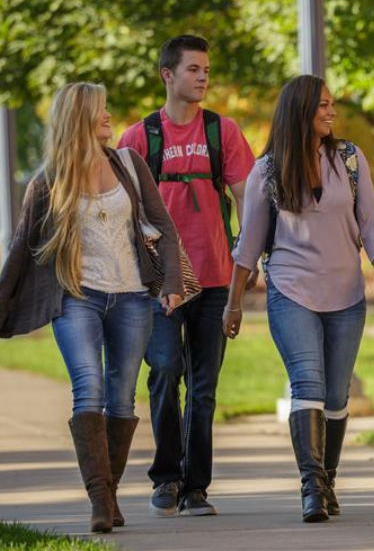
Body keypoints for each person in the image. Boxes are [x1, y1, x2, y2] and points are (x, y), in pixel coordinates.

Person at [0, 82, 183, 532]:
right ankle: (100, 502)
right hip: (76, 297)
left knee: (122, 397)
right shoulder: (49, 181)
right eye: (100, 110)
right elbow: (21, 249)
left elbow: (164, 226)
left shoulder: (127, 163)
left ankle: (110, 492)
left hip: (132, 297)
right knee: (90, 388)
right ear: (79, 118)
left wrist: (172, 283)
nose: (108, 116)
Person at [223, 74, 374, 523]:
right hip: (291, 289)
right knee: (308, 384)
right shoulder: (267, 170)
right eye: (322, 105)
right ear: (300, 110)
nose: (331, 112)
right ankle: (312, 487)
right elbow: (249, 242)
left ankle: (328, 479)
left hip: (346, 293)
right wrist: (233, 301)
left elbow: (371, 222)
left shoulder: (350, 160)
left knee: (337, 395)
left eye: (331, 104)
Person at [117, 35, 255, 517]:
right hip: (161, 280)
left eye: (206, 70)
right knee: (165, 371)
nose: (202, 78)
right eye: (193, 69)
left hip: (215, 276)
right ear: (167, 75)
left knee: (204, 383)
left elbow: (247, 198)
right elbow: (124, 211)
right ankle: (165, 477)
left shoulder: (224, 131)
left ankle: (196, 485)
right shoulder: (138, 138)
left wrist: (249, 257)